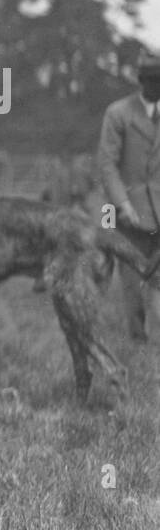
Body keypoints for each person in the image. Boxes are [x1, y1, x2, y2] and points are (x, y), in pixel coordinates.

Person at [98, 53, 160, 342]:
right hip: (130, 216)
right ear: (140, 80)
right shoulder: (118, 113)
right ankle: (138, 343)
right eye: (150, 80)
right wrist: (121, 204)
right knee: (133, 288)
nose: (155, 86)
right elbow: (107, 163)